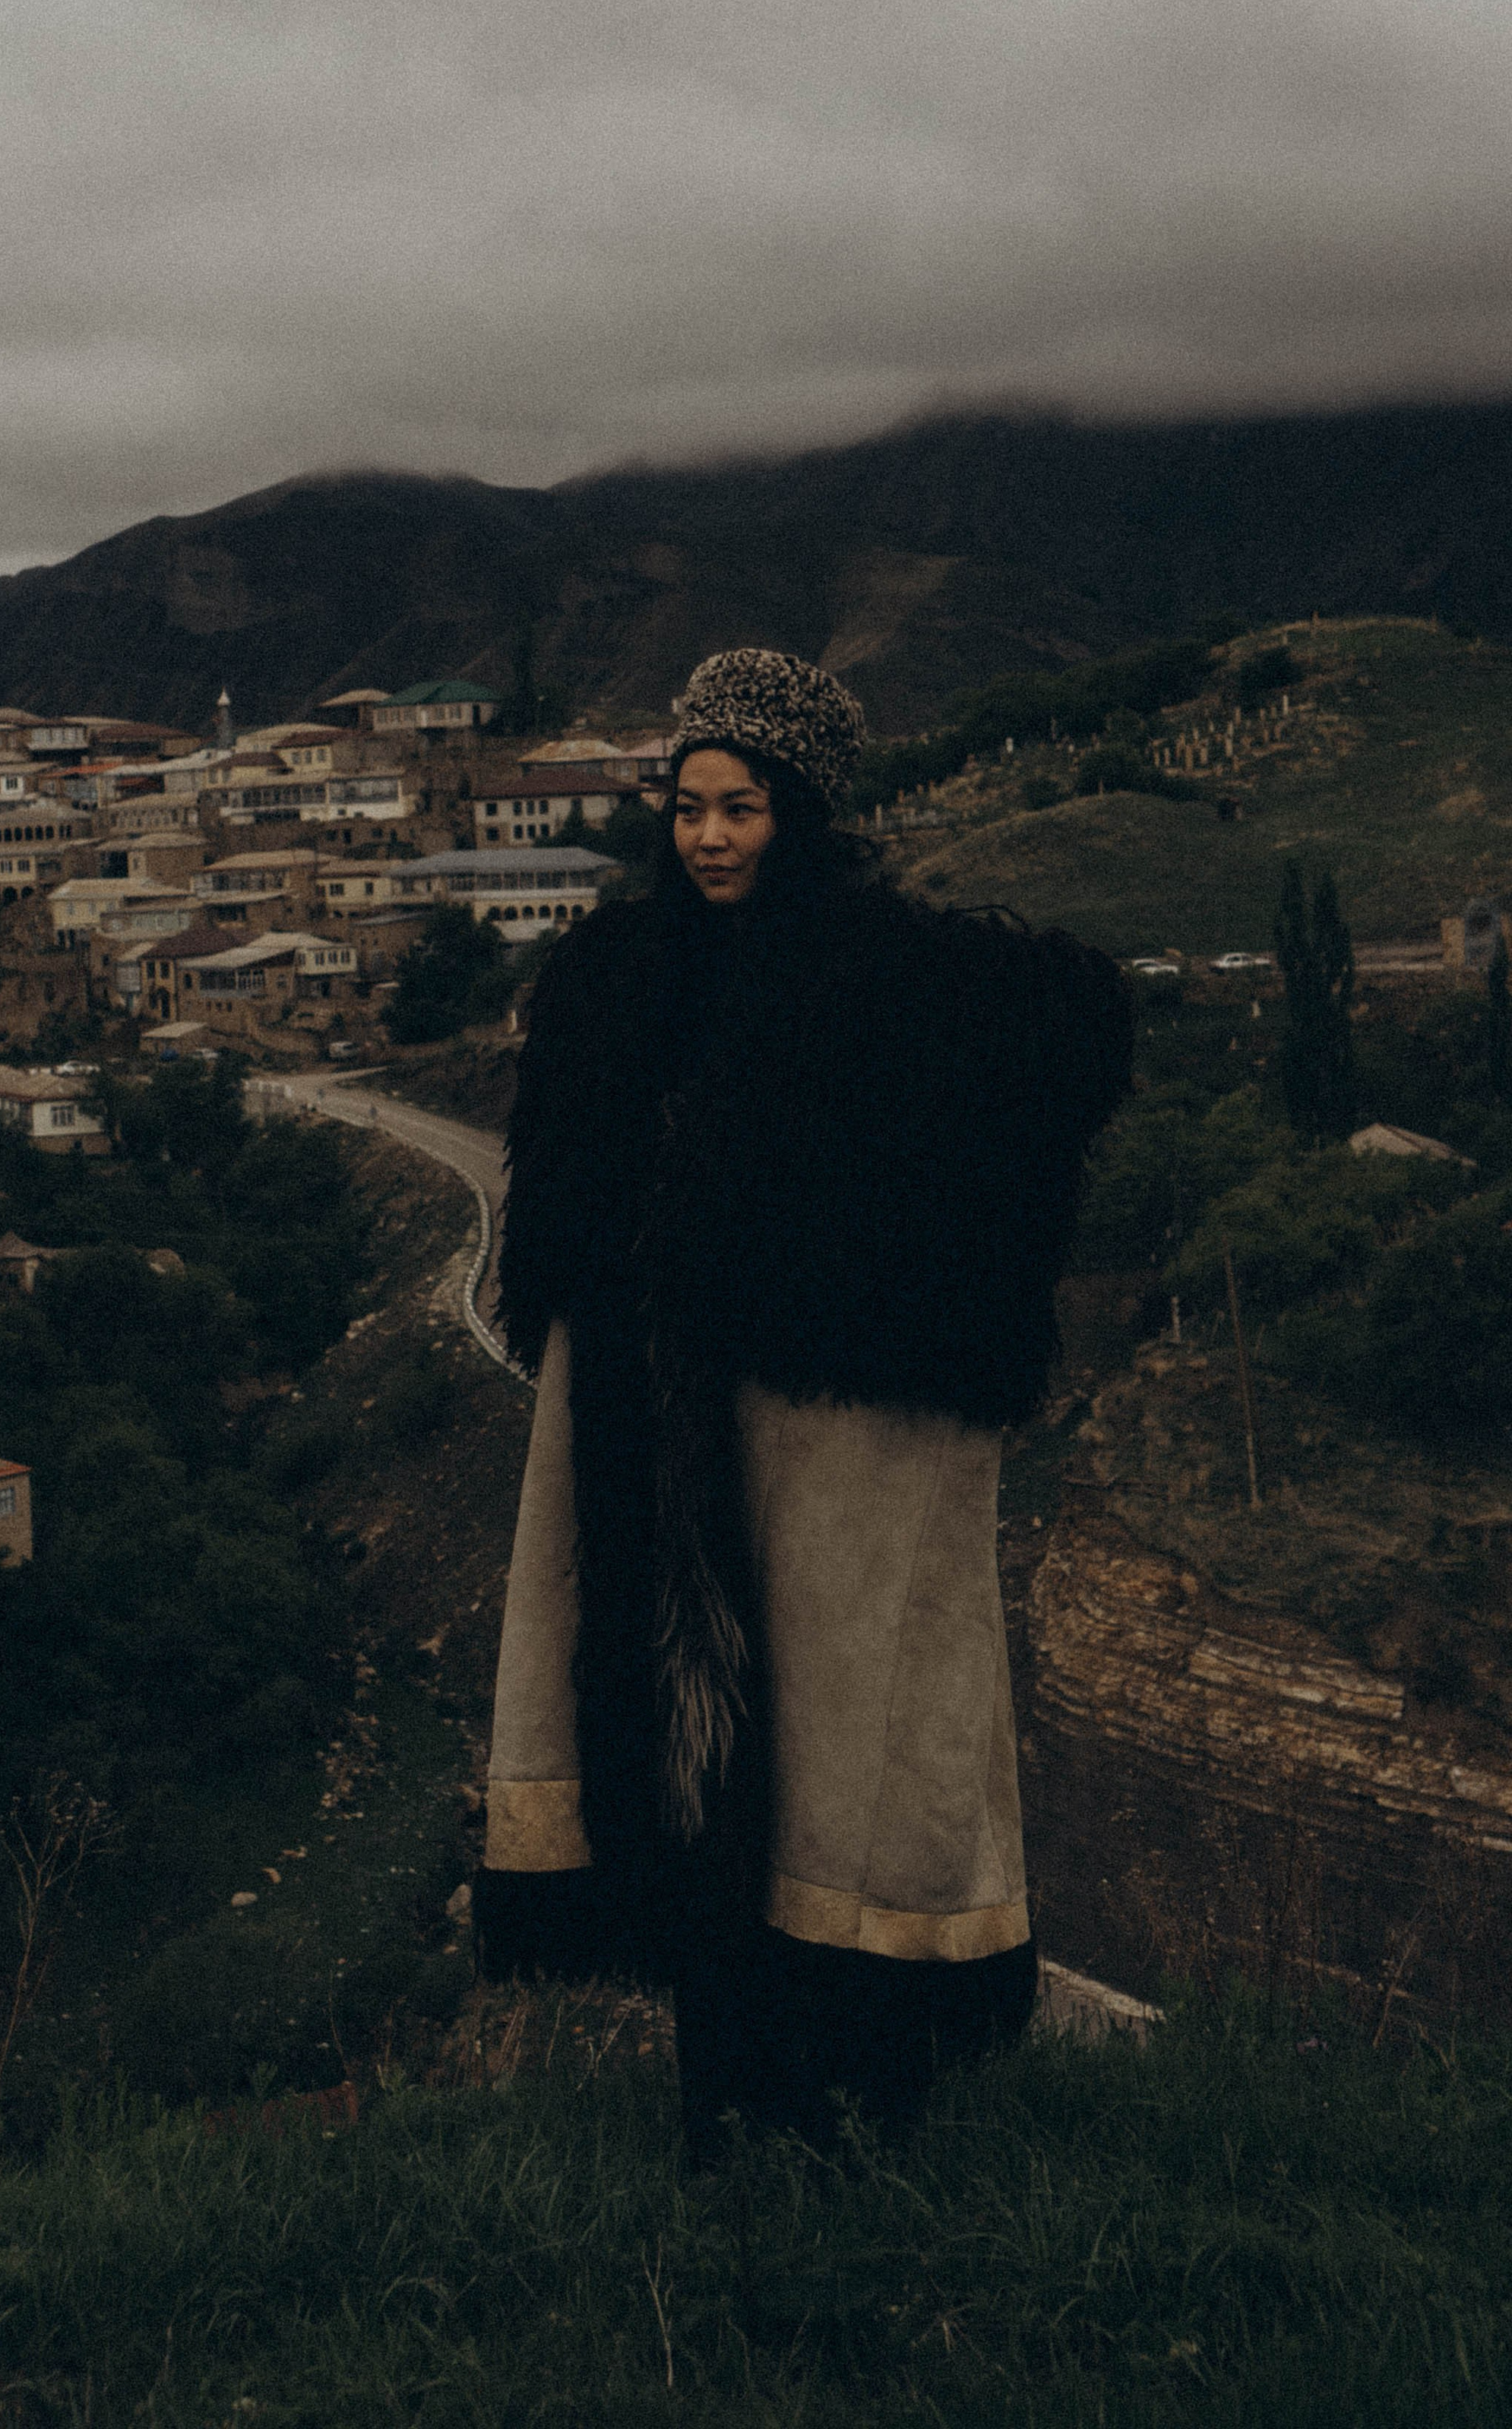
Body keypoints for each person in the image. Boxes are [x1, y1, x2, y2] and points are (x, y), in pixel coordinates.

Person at [476, 647, 1132, 2155]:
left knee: (835, 1743)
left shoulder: (883, 977)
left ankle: (859, 2083)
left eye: (744, 809)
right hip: (646, 1418)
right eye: (692, 806)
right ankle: (722, 2093)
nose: (709, 838)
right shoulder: (617, 979)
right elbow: (571, 1199)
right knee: (678, 1758)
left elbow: (1056, 1050)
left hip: (806, 1427)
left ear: (804, 813)